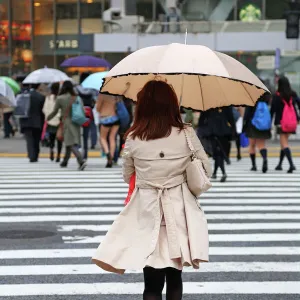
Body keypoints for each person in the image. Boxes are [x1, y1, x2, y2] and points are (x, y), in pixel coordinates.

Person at [92, 80, 211, 300]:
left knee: (151, 284)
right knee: (175, 279)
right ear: (172, 104)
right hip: (179, 209)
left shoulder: (134, 137)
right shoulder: (185, 134)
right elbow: (205, 168)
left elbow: (127, 175)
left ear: (143, 106)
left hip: (147, 210)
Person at [47, 81, 86, 171]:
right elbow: (82, 110)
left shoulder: (60, 98)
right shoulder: (77, 97)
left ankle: (81, 160)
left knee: (70, 143)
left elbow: (55, 111)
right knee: (70, 142)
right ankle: (65, 161)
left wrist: (48, 118)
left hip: (67, 122)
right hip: (76, 122)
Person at [198, 107, 235, 182]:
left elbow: (201, 121)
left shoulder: (208, 104)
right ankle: (217, 172)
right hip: (224, 131)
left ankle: (221, 173)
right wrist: (233, 132)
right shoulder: (226, 104)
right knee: (219, 153)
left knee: (217, 153)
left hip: (212, 131)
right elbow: (231, 119)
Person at [271, 76, 300, 173]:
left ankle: (291, 165)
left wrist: (270, 121)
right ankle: (279, 164)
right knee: (284, 143)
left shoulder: (277, 96)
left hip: (281, 123)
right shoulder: (293, 94)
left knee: (284, 144)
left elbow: (272, 110)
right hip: (292, 123)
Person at [243, 92, 272, 173]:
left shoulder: (251, 98)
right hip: (263, 125)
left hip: (252, 124)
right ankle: (265, 158)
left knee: (252, 145)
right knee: (262, 145)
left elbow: (247, 114)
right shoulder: (266, 98)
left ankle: (254, 166)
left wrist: (244, 123)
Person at [19, 84, 45, 163]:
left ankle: (31, 155)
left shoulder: (24, 95)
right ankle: (36, 155)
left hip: (26, 121)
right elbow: (42, 111)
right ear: (38, 87)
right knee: (36, 140)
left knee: (29, 139)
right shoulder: (41, 96)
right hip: (37, 121)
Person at [96, 94, 120, 168]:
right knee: (112, 138)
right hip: (115, 118)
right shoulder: (116, 94)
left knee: (102, 138)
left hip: (105, 118)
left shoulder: (102, 95)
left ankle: (107, 154)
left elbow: (97, 108)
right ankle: (111, 158)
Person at [43, 82, 62, 162]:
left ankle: (51, 150)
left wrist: (47, 117)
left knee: (51, 138)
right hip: (59, 121)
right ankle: (58, 155)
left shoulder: (48, 98)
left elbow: (44, 109)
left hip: (50, 120)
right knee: (59, 139)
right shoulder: (60, 97)